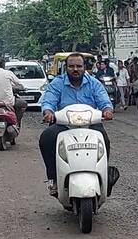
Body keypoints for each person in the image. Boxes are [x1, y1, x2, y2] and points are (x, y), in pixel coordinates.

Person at [39, 53, 114, 196]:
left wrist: (107, 110)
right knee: (46, 139)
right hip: (64, 125)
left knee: (105, 141)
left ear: (84, 67)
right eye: (71, 66)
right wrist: (48, 112)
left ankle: (105, 177)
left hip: (90, 124)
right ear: (66, 68)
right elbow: (48, 100)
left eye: (79, 66)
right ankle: (53, 178)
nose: (75, 69)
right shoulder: (57, 83)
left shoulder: (94, 83)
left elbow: (104, 101)